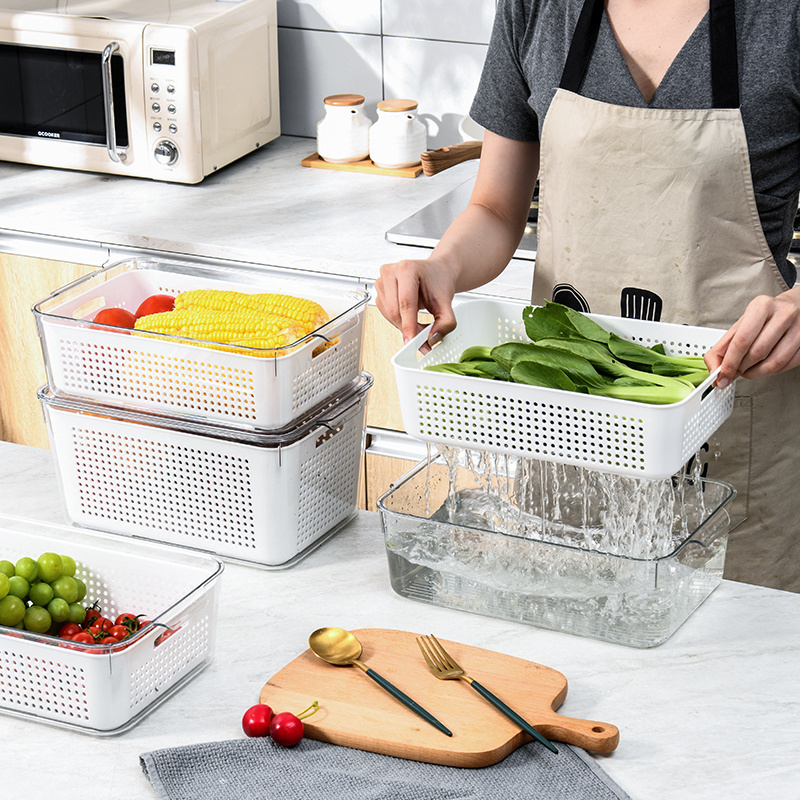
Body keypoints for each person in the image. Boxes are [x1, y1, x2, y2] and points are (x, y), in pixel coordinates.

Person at [375, 0, 800, 593]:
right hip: (569, 424)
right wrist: (441, 266)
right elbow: (496, 209)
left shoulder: (781, 18)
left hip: (730, 420)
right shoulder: (539, 7)